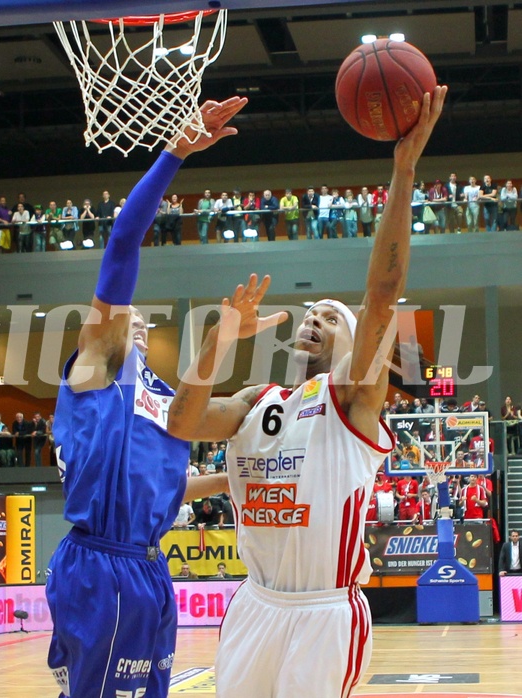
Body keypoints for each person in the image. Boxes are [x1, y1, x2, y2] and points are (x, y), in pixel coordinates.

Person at [168, 87, 446, 698]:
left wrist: (403, 171)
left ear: (358, 345)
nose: (314, 319)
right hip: (254, 605)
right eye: (310, 312)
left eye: (331, 316)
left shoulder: (353, 402)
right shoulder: (254, 400)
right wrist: (217, 344)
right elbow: (182, 425)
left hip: (325, 613)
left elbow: (382, 296)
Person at [45, 96, 248, 698]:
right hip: (99, 566)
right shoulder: (93, 376)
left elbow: (162, 485)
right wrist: (173, 155)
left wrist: (234, 477)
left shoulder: (158, 397)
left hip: (146, 567)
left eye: (136, 318)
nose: (129, 316)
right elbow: (122, 244)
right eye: (118, 315)